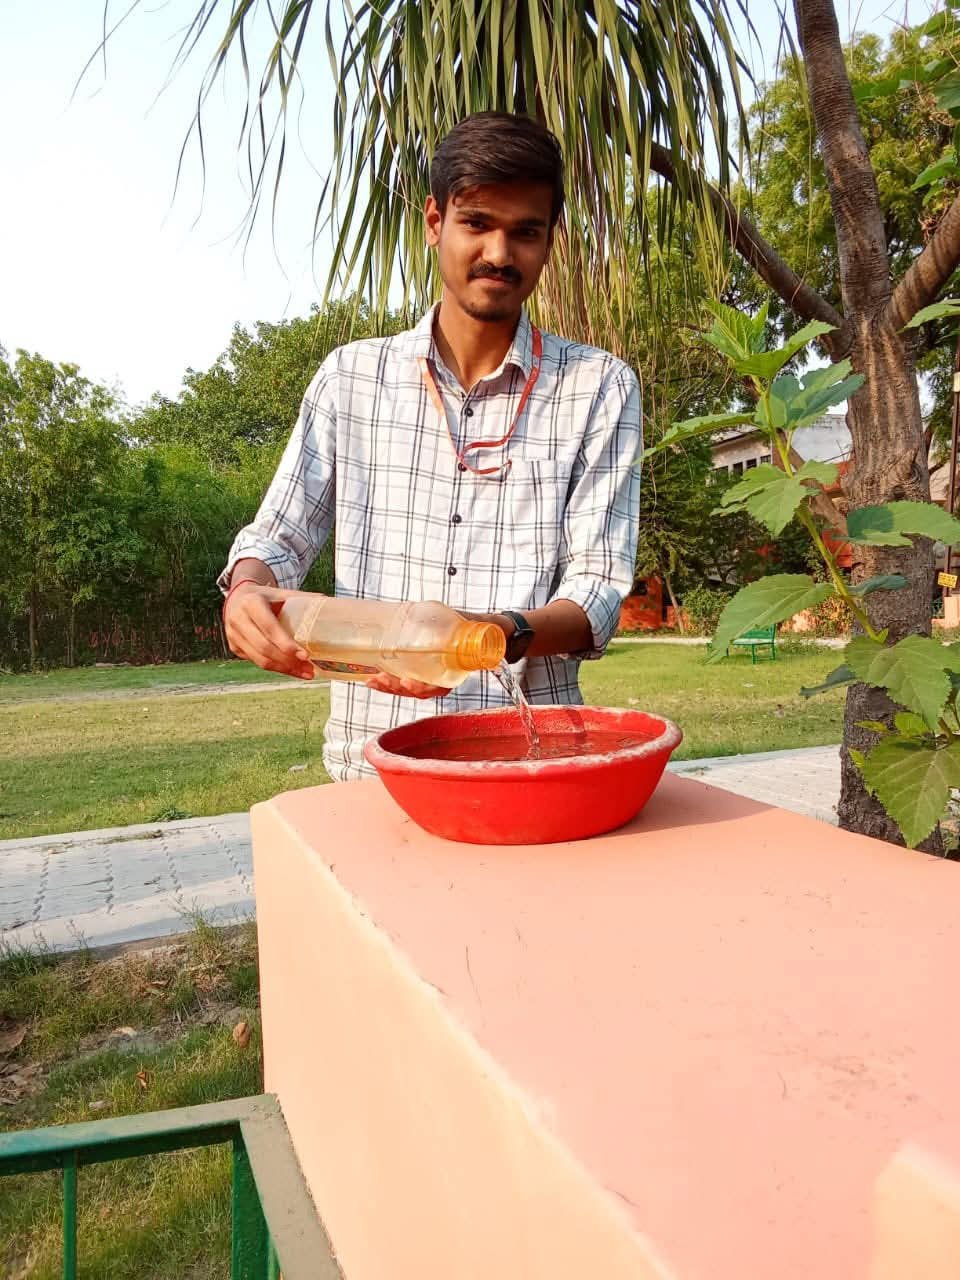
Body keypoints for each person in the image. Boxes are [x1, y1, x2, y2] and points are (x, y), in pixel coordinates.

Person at [220, 111, 642, 781]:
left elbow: (596, 592)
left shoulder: (597, 387)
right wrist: (247, 592)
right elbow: (279, 539)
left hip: (529, 763)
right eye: (477, 223)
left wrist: (486, 633)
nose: (499, 254)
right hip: (373, 766)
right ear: (434, 221)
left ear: (550, 239)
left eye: (525, 231)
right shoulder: (351, 378)